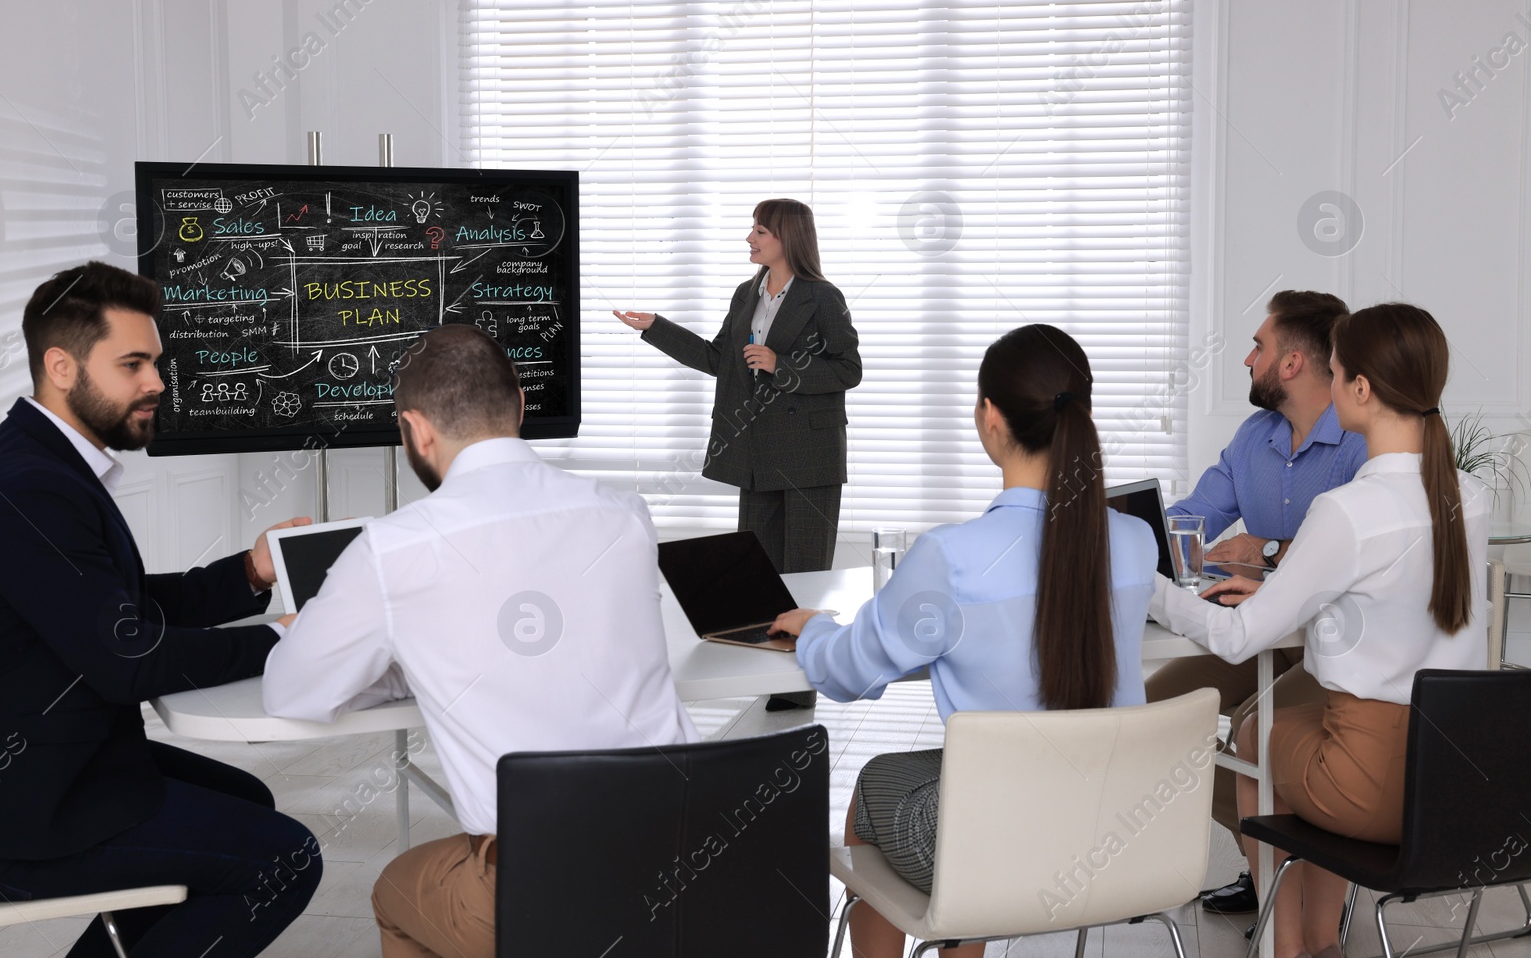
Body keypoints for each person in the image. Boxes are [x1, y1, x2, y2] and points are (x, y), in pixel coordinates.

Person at [261, 324, 697, 958]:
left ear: (416, 428)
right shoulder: (624, 514)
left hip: (547, 890)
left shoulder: (393, 548)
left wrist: (388, 657)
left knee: (394, 893)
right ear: (520, 403)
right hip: (689, 856)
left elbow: (291, 694)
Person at [0, 261, 319, 958]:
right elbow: (128, 657)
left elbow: (120, 609)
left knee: (250, 805)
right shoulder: (34, 487)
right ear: (61, 366)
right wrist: (280, 638)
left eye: (156, 361)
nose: (158, 383)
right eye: (133, 363)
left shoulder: (42, 460)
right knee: (287, 857)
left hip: (42, 773)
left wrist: (251, 571)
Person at [770, 324, 1158, 958]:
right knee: (959, 783)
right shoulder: (1136, 543)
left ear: (991, 418)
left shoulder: (950, 557)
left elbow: (849, 672)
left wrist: (815, 629)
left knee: (875, 784)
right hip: (1114, 836)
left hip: (999, 849)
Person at [1152, 302, 1488, 958]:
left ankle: (1291, 944)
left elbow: (1235, 638)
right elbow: (1390, 597)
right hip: (1452, 784)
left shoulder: (1349, 508)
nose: (1329, 386)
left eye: (1337, 373)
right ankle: (1319, 942)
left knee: (1257, 738)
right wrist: (1295, 589)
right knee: (1278, 730)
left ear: (1360, 389)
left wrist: (1149, 587)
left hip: (1367, 785)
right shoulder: (1468, 495)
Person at [1147, 290, 1368, 915]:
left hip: (1333, 646)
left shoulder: (1359, 444)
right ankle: (1263, 853)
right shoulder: (1255, 437)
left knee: (1254, 724)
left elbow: (1362, 551)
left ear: (1292, 363)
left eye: (1259, 346)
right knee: (1153, 715)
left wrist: (1269, 549)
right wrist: (1128, 537)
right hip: (1263, 631)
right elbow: (1191, 516)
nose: (1248, 359)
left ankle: (1297, 878)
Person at [615, 197, 862, 574]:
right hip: (757, 452)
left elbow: (849, 369)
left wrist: (781, 365)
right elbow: (719, 359)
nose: (749, 238)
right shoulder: (747, 293)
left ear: (788, 238)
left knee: (805, 577)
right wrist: (655, 328)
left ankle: (810, 637)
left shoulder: (823, 297)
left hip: (810, 458)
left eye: (760, 231)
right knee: (757, 577)